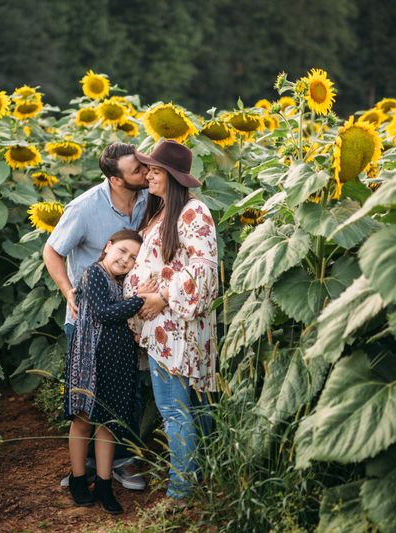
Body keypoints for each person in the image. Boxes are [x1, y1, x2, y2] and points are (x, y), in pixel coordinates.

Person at [43, 142, 149, 490]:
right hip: (89, 320)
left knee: (122, 391)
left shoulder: (148, 198)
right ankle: (84, 467)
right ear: (116, 180)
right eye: (137, 170)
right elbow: (52, 251)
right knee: (87, 396)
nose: (145, 173)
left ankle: (116, 462)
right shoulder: (85, 208)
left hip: (129, 320)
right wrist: (67, 291)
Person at [123, 140, 218, 500]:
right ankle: (203, 478)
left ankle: (181, 490)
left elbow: (204, 274)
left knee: (175, 410)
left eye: (155, 170)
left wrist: (161, 295)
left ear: (174, 178)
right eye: (148, 169)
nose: (148, 174)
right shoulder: (163, 212)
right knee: (188, 406)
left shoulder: (193, 213)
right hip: (162, 328)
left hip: (176, 328)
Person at [63, 230, 157, 513]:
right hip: (90, 361)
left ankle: (104, 485)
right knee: (83, 420)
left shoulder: (121, 282)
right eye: (122, 251)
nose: (126, 259)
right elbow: (104, 313)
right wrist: (141, 299)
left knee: (109, 424)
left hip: (116, 362)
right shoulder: (93, 274)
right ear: (108, 247)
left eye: (133, 258)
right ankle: (79, 480)